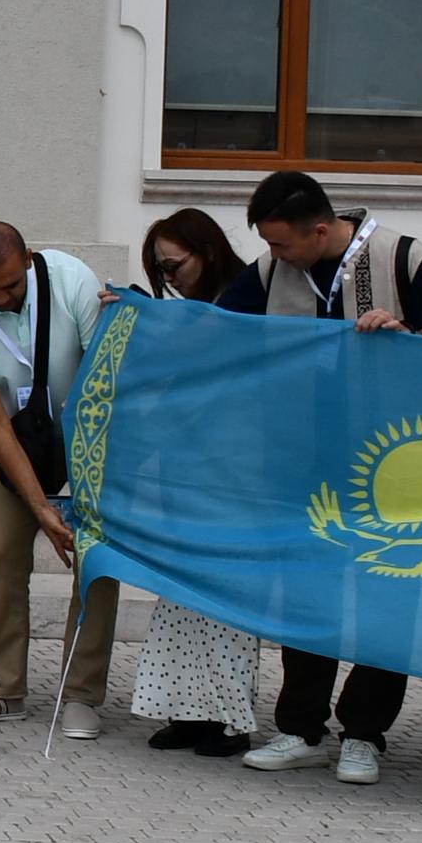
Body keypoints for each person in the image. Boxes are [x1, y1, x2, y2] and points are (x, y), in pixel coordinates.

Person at [235, 170, 422, 784]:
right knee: (308, 593)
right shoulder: (269, 271)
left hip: (392, 463)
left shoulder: (403, 257)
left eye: (282, 244)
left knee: (386, 590)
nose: (274, 255)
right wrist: (139, 317)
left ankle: (365, 733)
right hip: (304, 462)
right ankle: (301, 727)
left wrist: (403, 335)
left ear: (322, 229)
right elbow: (217, 330)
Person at [0, 220, 115, 735]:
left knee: (95, 562)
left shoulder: (73, 280)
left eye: (10, 285)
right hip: (22, 449)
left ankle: (81, 694)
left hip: (88, 444)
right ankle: (3, 689)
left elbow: (101, 379)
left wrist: (81, 485)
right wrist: (40, 506)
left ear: (29, 260)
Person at [126, 212, 264, 758]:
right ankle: (185, 711)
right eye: (161, 268)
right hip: (188, 465)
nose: (169, 276)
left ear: (205, 251)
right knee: (181, 592)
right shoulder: (188, 310)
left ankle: (229, 719)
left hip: (239, 471)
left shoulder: (248, 296)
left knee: (227, 599)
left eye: (173, 264)